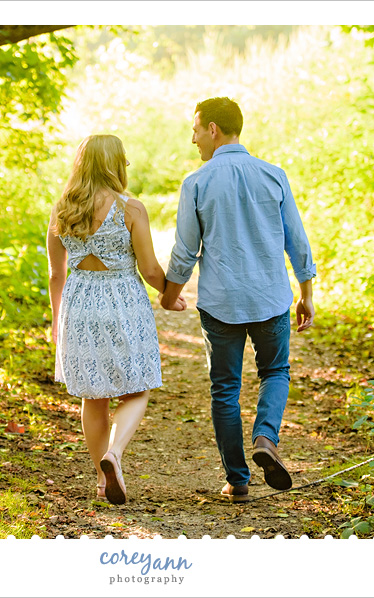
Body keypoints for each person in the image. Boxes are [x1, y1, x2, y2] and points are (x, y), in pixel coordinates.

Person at [160, 97, 316, 503]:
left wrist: (169, 295)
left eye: (195, 129)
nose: (193, 138)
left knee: (225, 389)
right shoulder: (274, 175)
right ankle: (266, 436)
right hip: (270, 297)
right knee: (276, 371)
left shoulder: (196, 183)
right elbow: (296, 240)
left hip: (221, 302)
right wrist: (306, 293)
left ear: (213, 129)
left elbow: (184, 252)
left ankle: (238, 479)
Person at [47, 134, 186, 505]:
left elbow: (56, 275)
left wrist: (57, 320)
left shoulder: (62, 209)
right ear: (117, 163)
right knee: (136, 388)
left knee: (93, 398)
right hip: (121, 301)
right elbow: (151, 269)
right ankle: (115, 454)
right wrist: (170, 295)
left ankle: (100, 478)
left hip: (78, 304)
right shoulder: (131, 209)